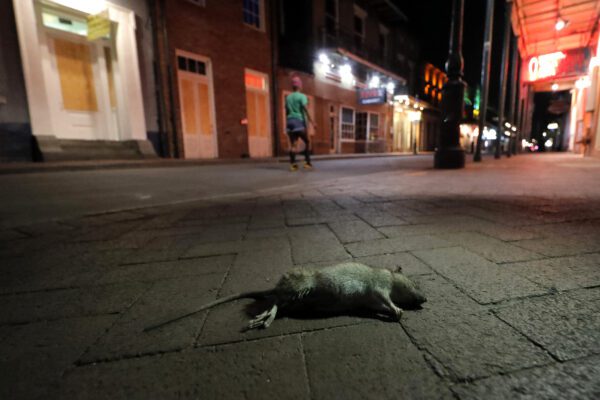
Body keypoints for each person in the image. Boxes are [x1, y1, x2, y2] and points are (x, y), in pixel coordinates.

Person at [285, 75, 316, 171]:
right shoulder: (302, 97)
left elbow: (286, 111)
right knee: (307, 141)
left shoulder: (288, 97)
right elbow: (305, 109)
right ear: (299, 86)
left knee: (293, 144)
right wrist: (312, 122)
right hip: (298, 121)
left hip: (289, 121)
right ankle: (307, 162)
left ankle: (293, 165)